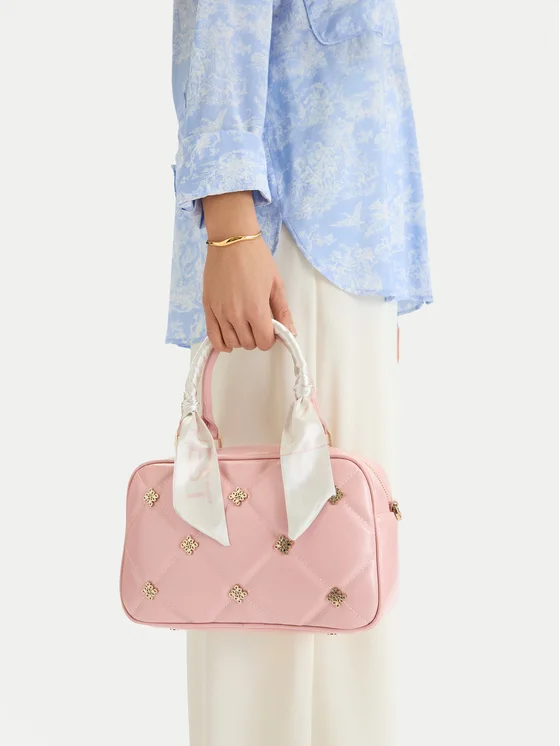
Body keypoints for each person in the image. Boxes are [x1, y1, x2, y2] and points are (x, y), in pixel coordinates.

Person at [167, 1, 432, 744]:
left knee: (348, 590)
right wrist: (230, 226)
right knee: (265, 596)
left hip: (343, 253)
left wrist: (378, 285)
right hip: (289, 239)